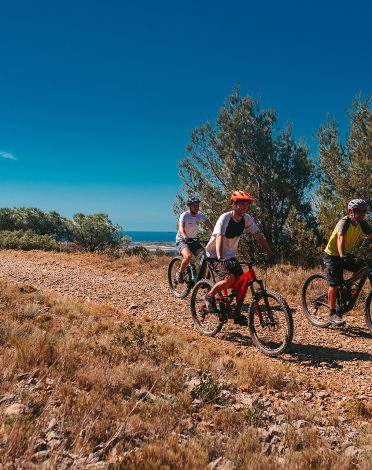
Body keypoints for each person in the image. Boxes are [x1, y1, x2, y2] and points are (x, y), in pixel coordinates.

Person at [204, 190, 276, 323]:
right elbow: (219, 237)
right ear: (234, 204)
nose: (245, 207)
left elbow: (258, 236)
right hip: (215, 254)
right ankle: (209, 296)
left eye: (247, 205)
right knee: (229, 279)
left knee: (243, 284)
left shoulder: (247, 219)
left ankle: (236, 315)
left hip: (230, 255)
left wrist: (270, 253)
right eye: (242, 204)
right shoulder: (225, 218)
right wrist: (221, 258)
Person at [323, 198, 371, 326]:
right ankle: (332, 314)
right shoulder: (344, 222)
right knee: (335, 284)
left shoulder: (362, 223)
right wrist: (342, 255)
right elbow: (340, 237)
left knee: (363, 267)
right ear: (350, 211)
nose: (361, 214)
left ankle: (347, 285)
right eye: (358, 211)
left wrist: (345, 255)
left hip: (344, 253)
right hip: (333, 254)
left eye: (364, 211)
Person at [175, 197, 214, 283]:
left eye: (197, 205)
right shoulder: (185, 215)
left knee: (205, 257)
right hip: (182, 240)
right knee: (188, 256)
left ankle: (201, 281)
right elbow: (181, 229)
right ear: (189, 206)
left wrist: (217, 234)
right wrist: (185, 237)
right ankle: (180, 273)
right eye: (194, 206)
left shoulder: (200, 215)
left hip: (193, 240)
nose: (196, 207)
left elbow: (211, 226)